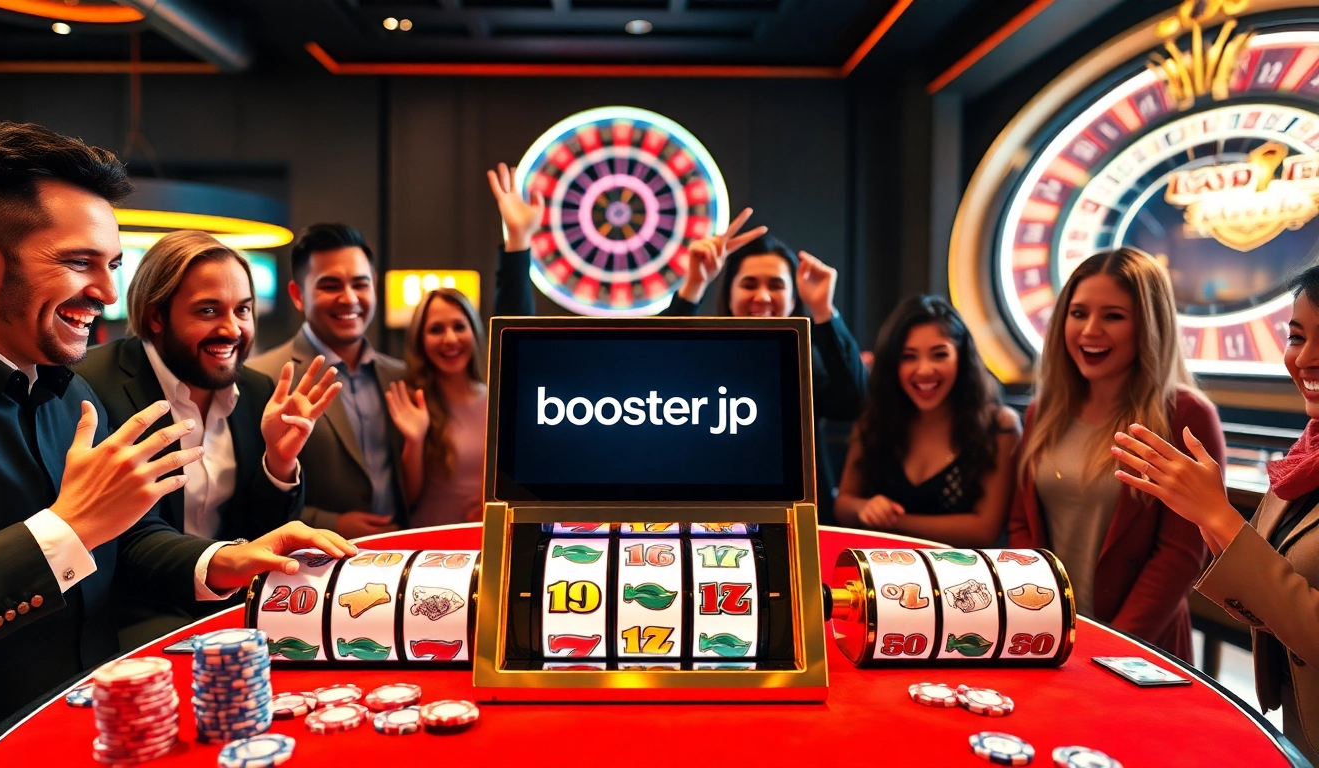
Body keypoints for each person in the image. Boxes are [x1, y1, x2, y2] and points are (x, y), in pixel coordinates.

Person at [0, 120, 357, 741]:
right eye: (78, 263)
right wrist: (67, 528)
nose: (106, 293)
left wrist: (225, 559)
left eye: (111, 266)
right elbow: (83, 531)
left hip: (96, 719)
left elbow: (131, 535)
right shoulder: (95, 382)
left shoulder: (69, 393)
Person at [487, 163, 865, 522]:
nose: (762, 297)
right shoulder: (701, 359)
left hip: (794, 524)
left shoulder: (804, 366)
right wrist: (694, 285)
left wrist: (823, 310)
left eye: (776, 285)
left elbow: (853, 402)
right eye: (749, 283)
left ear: (794, 298)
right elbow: (652, 365)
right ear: (729, 293)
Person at [75, 230, 342, 641]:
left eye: (243, 310)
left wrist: (278, 463)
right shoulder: (90, 385)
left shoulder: (257, 391)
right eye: (209, 311)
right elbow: (121, 538)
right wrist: (225, 561)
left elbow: (263, 536)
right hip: (128, 620)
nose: (232, 329)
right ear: (156, 316)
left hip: (234, 612)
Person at [1111, 264, 1319, 761]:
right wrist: (1210, 516)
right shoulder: (1306, 454)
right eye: (1297, 337)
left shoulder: (1186, 411)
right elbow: (1271, 590)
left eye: (1113, 315)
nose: (1306, 358)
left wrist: (1218, 516)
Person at [1008, 246, 1224, 661]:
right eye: (1078, 313)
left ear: (1148, 326)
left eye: (1113, 316)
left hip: (1137, 649)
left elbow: (1179, 555)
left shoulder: (1186, 414)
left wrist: (1113, 647)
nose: (1090, 330)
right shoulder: (1043, 410)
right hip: (1045, 638)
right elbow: (1021, 523)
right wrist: (1036, 615)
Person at [248, 224, 409, 540]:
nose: (349, 298)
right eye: (330, 286)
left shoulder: (401, 376)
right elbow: (249, 495)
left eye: (360, 284)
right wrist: (330, 523)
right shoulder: (261, 376)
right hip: (309, 560)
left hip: (400, 552)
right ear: (298, 295)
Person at [833, 295, 1020, 546]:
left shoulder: (999, 426)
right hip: (879, 567)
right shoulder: (876, 419)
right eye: (909, 356)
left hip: (961, 570)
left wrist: (892, 522)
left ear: (961, 358)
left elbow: (983, 530)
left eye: (939, 355)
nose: (924, 370)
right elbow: (843, 503)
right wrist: (864, 508)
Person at [384, 288, 486, 528]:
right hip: (431, 538)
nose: (450, 339)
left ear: (474, 331)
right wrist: (415, 439)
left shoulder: (498, 400)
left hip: (485, 536)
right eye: (436, 330)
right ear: (420, 340)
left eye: (459, 327)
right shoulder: (411, 402)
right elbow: (408, 499)